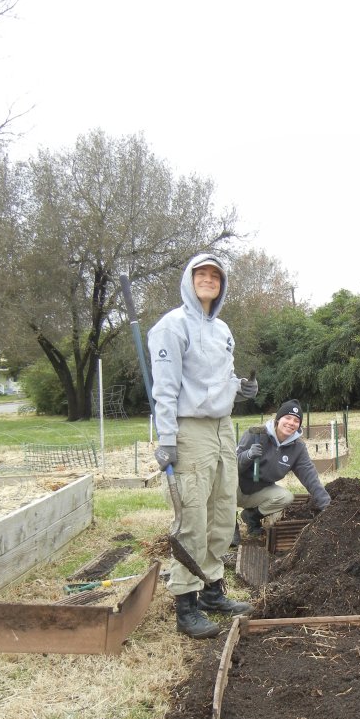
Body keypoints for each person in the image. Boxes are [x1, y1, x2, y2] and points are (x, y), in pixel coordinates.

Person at [148, 253, 258, 639]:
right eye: (202, 274)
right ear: (189, 280)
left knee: (222, 511)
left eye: (215, 275)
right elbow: (163, 389)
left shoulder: (223, 329)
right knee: (192, 515)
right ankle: (186, 604)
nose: (209, 279)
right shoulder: (171, 327)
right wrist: (166, 440)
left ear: (222, 283)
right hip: (188, 428)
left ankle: (212, 590)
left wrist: (240, 388)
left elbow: (220, 377)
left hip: (222, 427)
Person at [235, 399, 330, 537]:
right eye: (288, 417)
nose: (291, 423)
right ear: (278, 419)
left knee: (285, 497)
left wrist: (327, 506)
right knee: (223, 480)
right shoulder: (255, 435)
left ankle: (251, 517)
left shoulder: (297, 448)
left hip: (258, 492)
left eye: (296, 421)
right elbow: (231, 466)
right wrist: (248, 455)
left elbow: (310, 477)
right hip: (235, 488)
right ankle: (231, 527)